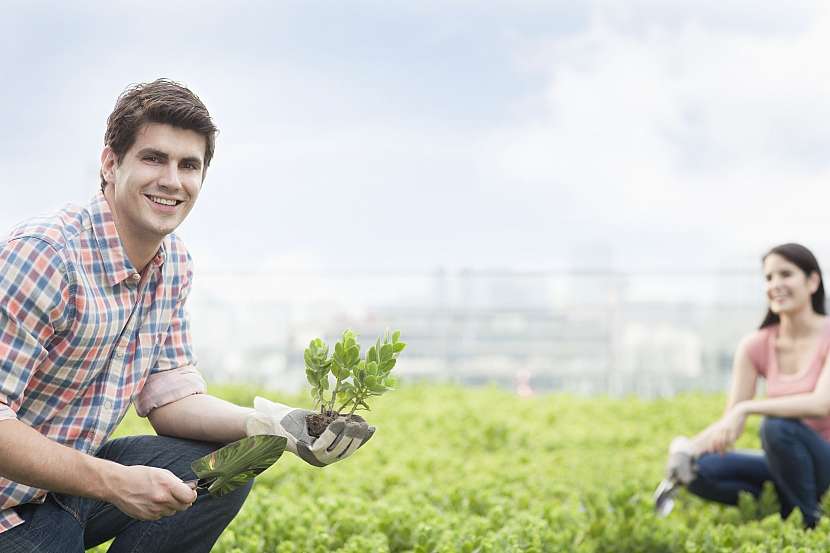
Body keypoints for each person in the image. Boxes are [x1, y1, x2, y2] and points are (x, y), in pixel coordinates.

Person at [0, 79, 374, 553]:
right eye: (154, 158)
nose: (172, 180)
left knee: (224, 465)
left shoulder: (172, 265)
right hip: (10, 508)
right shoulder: (45, 256)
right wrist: (115, 482)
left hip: (62, 491)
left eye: (188, 165)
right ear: (111, 163)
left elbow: (170, 397)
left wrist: (275, 424)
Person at [661, 243, 830, 528]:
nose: (776, 284)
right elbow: (730, 426)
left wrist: (748, 407)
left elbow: (821, 403)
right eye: (769, 278)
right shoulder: (756, 344)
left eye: (786, 274)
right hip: (788, 467)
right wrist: (684, 450)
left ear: (812, 281)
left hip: (825, 460)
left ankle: (809, 523)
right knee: (698, 470)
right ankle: (794, 505)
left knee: (777, 427)